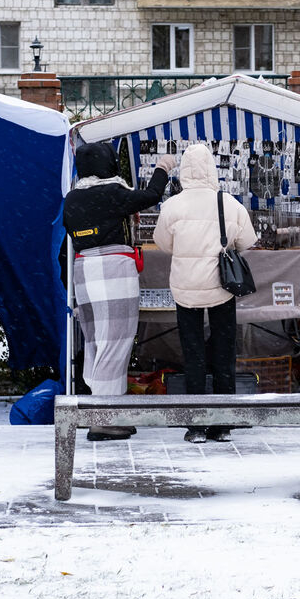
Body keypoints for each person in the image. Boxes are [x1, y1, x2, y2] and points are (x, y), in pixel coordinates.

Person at [62, 142, 175, 441]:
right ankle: (105, 418)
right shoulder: (112, 193)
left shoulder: (72, 198)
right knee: (117, 342)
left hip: (84, 270)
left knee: (96, 341)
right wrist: (162, 168)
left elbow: (73, 231)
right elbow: (151, 196)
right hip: (114, 268)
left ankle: (101, 408)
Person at [153, 144, 258, 443]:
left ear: (184, 170)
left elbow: (162, 243)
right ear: (212, 169)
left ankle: (196, 424)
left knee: (193, 352)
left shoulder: (173, 205)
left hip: (186, 290)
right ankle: (222, 424)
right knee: (224, 352)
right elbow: (247, 241)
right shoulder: (229, 203)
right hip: (221, 289)